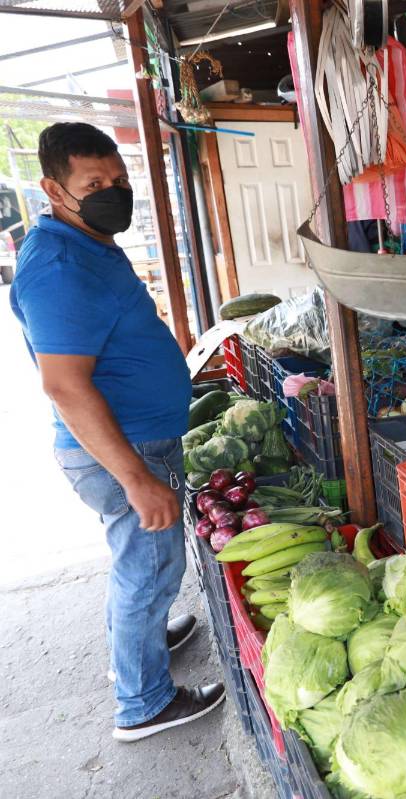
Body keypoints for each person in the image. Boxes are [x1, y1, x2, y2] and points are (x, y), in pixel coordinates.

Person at [10, 123, 224, 742]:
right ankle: (144, 702)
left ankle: (140, 643)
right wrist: (135, 477)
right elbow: (66, 386)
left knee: (138, 564)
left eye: (119, 180)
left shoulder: (86, 241)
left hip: (137, 439)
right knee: (147, 569)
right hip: (124, 450)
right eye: (94, 184)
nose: (113, 192)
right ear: (53, 189)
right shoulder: (57, 266)